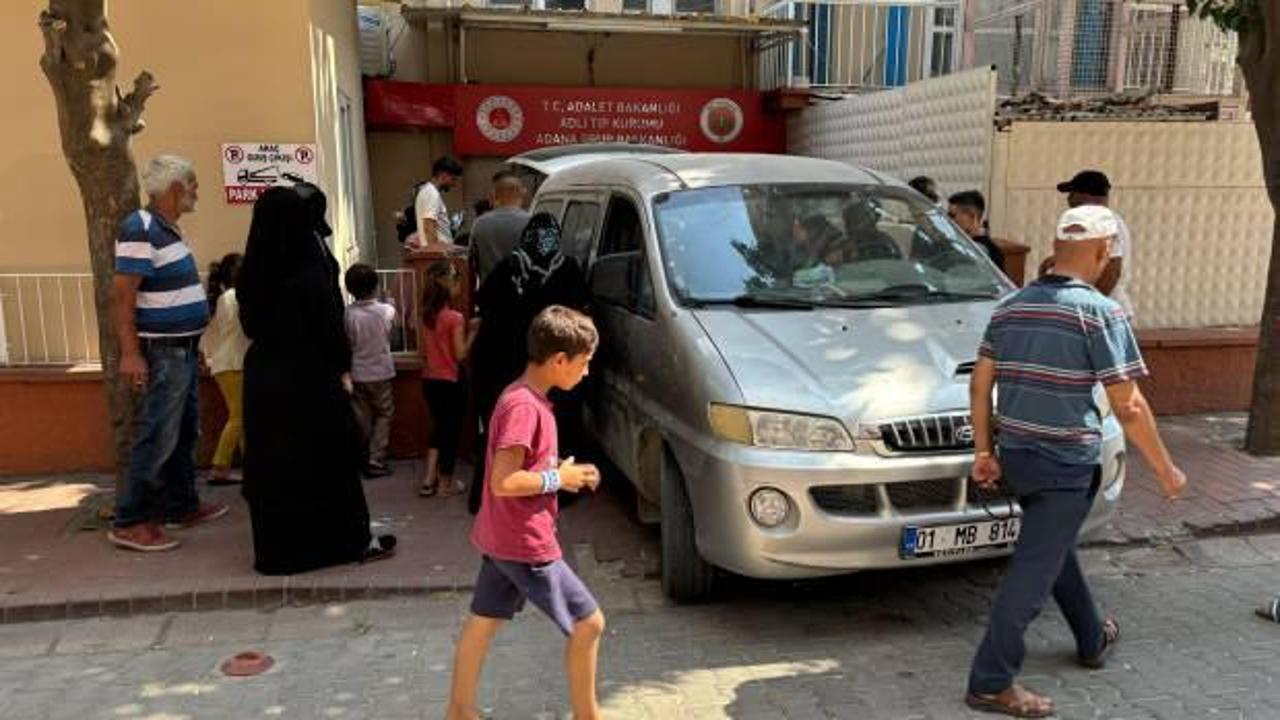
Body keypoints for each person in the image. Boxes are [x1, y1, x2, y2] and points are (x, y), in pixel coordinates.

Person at [964, 205, 1188, 718]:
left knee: (1052, 546)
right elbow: (1128, 404)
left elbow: (980, 384)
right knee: (1032, 572)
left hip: (1018, 458)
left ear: (1056, 245)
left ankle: (1092, 637)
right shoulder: (1100, 313)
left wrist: (984, 452)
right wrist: (1165, 469)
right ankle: (990, 681)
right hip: (1065, 465)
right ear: (1103, 251)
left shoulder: (1011, 307)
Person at [446, 305, 605, 720]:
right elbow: (504, 481)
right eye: (584, 364)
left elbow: (520, 471)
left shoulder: (522, 397)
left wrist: (557, 470)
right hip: (524, 541)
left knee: (483, 621)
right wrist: (558, 480)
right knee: (589, 624)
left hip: (501, 537)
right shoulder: (525, 407)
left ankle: (460, 711)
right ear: (558, 361)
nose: (586, 373)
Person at [237, 187, 395, 575]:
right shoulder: (309, 271)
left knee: (276, 466)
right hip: (310, 376)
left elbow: (250, 325)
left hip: (264, 377)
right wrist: (342, 368)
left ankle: (278, 552)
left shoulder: (252, 272)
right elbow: (329, 328)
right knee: (326, 460)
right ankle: (341, 542)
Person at [108, 155, 228, 552]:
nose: (196, 193)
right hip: (163, 353)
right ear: (176, 188)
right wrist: (130, 354)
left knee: (183, 432)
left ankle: (181, 505)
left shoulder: (166, 230)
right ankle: (130, 520)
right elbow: (123, 296)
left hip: (183, 351)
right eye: (192, 185)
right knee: (158, 434)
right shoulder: (140, 229)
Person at [467, 213, 590, 514]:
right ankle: (556, 490)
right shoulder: (568, 269)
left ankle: (492, 495)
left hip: (505, 366)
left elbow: (485, 305)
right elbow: (580, 312)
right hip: (554, 367)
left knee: (508, 433)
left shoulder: (508, 268)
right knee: (554, 430)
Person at [419, 261, 477, 497]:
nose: (459, 283)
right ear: (448, 286)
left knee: (439, 427)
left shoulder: (425, 315)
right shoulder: (455, 318)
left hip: (429, 380)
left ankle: (428, 478)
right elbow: (461, 354)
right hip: (450, 381)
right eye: (456, 278)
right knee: (450, 433)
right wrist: (473, 332)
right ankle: (445, 483)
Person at [1041, 170, 1133, 317]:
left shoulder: (1102, 221)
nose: (1069, 198)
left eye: (1072, 193)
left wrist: (1088, 309)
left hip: (1102, 314)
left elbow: (1112, 271)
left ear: (1085, 195)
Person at [200, 253, 251, 485]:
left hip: (228, 363)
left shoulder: (225, 298)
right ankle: (220, 467)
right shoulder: (235, 297)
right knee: (239, 417)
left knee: (243, 417)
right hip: (234, 363)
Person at [344, 263, 397, 479]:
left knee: (361, 418)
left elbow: (347, 340)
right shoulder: (386, 311)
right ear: (376, 286)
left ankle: (361, 456)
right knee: (384, 414)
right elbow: (393, 324)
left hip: (358, 372)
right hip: (381, 372)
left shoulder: (348, 314)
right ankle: (375, 458)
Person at [468, 169, 531, 286]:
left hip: (490, 297)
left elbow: (472, 264)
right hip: (524, 299)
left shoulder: (480, 224)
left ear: (495, 195)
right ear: (522, 192)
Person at [948, 190, 1006, 269]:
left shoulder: (982, 251)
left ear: (972, 216)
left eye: (952, 215)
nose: (948, 220)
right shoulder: (963, 244)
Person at [416, 156, 464, 247]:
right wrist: (435, 255)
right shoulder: (431, 193)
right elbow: (428, 227)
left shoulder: (427, 191)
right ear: (442, 174)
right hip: (437, 257)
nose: (454, 184)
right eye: (453, 179)